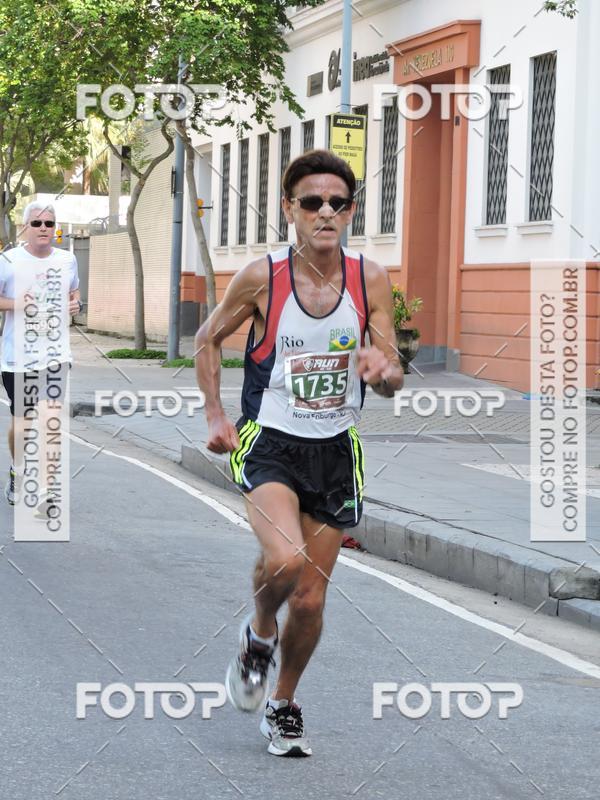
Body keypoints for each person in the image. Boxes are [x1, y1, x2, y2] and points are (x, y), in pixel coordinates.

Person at [195, 149, 403, 757]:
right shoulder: (262, 277)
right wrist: (215, 414)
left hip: (336, 450)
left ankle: (282, 703)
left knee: (310, 599)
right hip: (270, 443)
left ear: (351, 212)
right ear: (290, 209)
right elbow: (208, 338)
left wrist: (382, 370)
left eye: (338, 202)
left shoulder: (370, 279)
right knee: (284, 562)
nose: (325, 212)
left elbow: (393, 373)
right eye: (312, 202)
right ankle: (259, 635)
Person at [0, 200, 81, 512]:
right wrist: (17, 304)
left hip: (55, 355)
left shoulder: (67, 259)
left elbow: (74, 293)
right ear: (26, 227)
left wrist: (76, 305)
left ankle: (47, 491)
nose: (44, 228)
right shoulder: (8, 261)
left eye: (49, 223)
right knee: (23, 423)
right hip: (18, 357)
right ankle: (18, 470)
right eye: (37, 223)